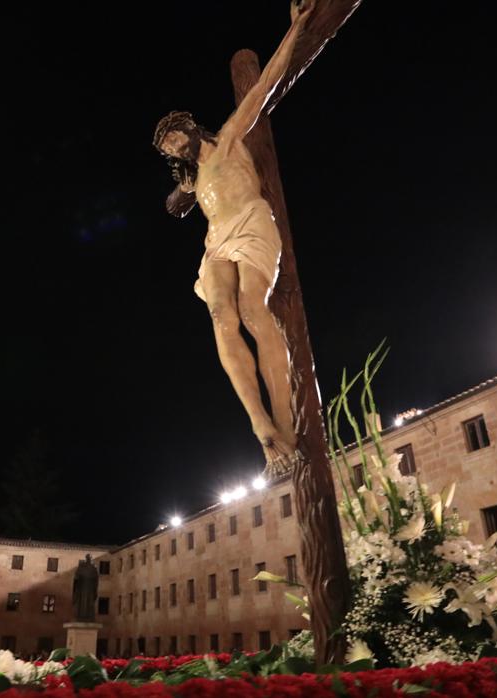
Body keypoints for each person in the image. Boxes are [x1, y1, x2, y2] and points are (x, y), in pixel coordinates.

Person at [154, 0, 316, 473]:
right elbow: (171, 204)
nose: (171, 144)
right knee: (222, 316)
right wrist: (180, 194)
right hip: (217, 239)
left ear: (189, 126)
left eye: (172, 134)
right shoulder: (193, 181)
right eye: (164, 146)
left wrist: (297, 26)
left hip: (249, 220)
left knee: (251, 307)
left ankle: (285, 422)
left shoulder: (228, 139)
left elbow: (264, 85)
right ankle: (258, 422)